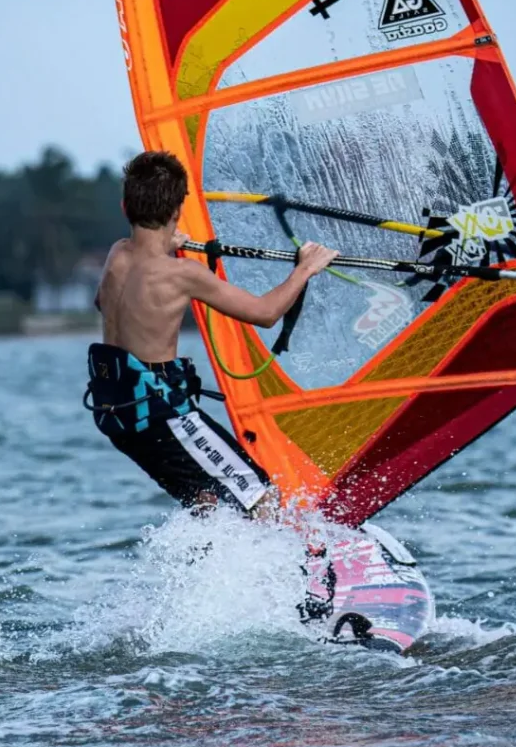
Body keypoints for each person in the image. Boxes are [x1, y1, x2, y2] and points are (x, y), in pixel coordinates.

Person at [85, 150, 337, 520]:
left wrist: (164, 248)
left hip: (118, 419)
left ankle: (216, 568)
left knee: (209, 500)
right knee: (259, 494)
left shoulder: (117, 255)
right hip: (163, 415)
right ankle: (289, 570)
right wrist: (305, 269)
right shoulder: (183, 275)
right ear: (176, 211)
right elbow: (265, 314)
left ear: (126, 207)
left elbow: (102, 301)